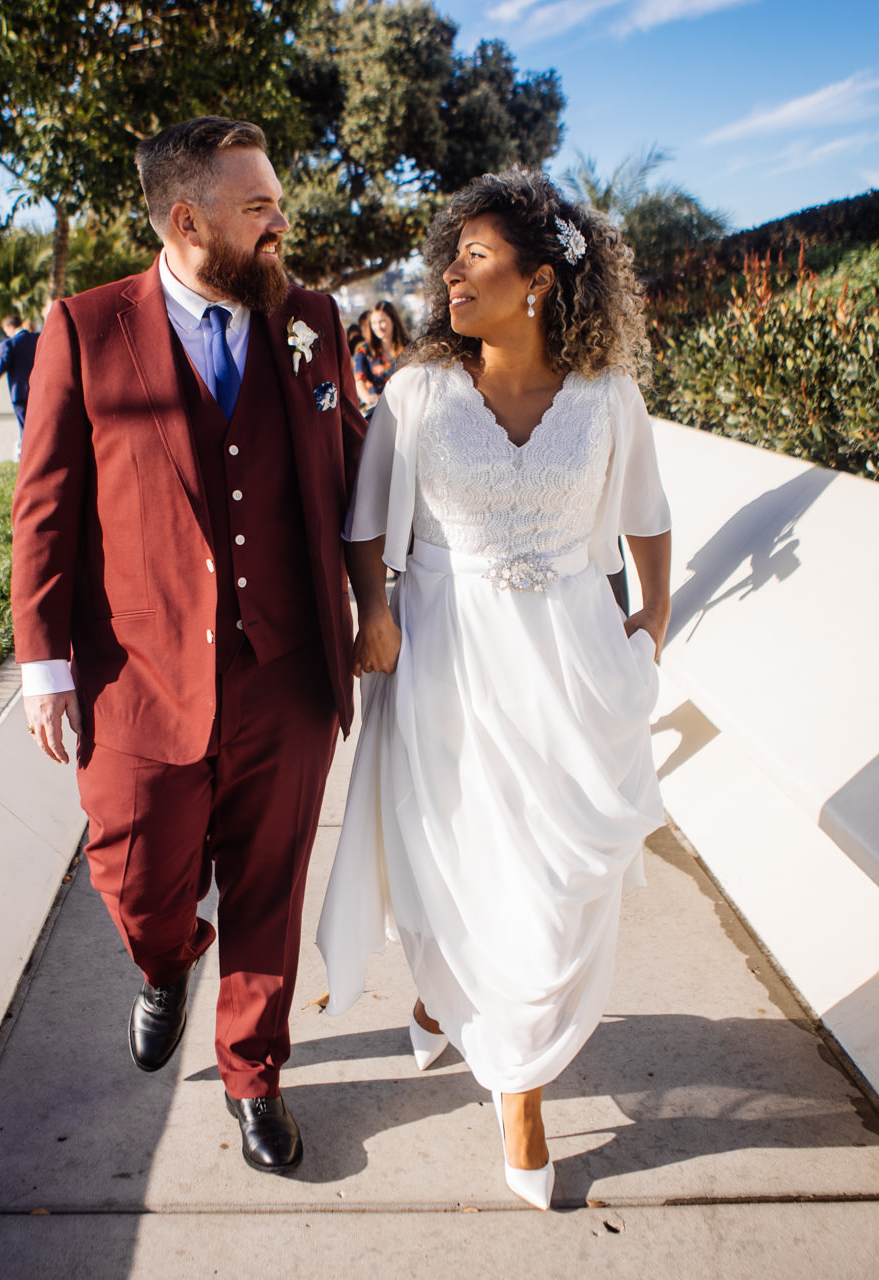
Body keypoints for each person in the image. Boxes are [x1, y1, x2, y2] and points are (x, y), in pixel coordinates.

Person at [11, 116, 367, 1175]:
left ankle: (255, 1072)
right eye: (258, 206)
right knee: (135, 875)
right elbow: (46, 506)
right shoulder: (84, 328)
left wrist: (382, 601)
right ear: (186, 219)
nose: (279, 222)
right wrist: (43, 660)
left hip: (290, 669)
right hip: (139, 675)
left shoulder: (312, 321)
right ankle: (166, 960)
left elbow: (354, 469)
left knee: (271, 881)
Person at [316, 170, 672, 1211]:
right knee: (468, 859)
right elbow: (367, 520)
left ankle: (456, 1007)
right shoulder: (421, 391)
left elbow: (647, 512)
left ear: (541, 280)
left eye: (476, 255)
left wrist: (653, 615)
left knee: (558, 884)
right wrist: (373, 608)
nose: (450, 273)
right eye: (451, 254)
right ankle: (518, 1088)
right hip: (447, 660)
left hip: (572, 668)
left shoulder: (608, 398)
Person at [0, 313, 39, 454]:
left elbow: (1, 368)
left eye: (6, 330)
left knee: (25, 427)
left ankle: (28, 456)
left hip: (19, 393)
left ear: (10, 326)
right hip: (37, 391)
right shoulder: (37, 339)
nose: (6, 333)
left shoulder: (10, 344)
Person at [352, 299, 410, 415]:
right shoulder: (364, 350)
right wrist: (368, 398)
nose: (378, 327)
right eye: (373, 323)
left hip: (403, 408)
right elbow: (359, 379)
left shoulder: (408, 348)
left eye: (382, 321)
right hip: (374, 411)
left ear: (393, 320)